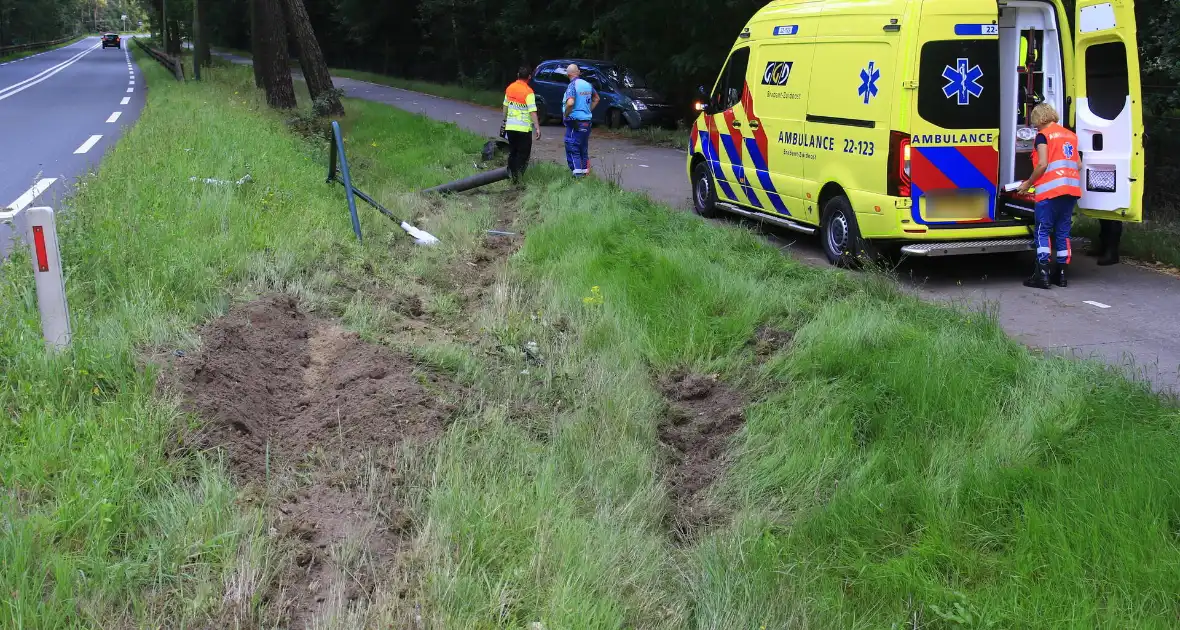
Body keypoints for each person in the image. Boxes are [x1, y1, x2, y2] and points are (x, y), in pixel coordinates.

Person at [1016, 103, 1082, 289]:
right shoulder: (1070, 135)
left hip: (1049, 191)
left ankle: (1042, 274)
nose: (1034, 125)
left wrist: (1028, 183)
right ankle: (1061, 274)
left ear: (1039, 119)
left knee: (1043, 231)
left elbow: (1042, 164)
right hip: (1070, 190)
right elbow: (1078, 164)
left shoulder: (1043, 136)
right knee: (1062, 232)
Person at [502, 66, 542, 183]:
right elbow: (532, 111)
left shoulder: (510, 88)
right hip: (523, 128)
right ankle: (518, 178)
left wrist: (504, 121)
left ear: (518, 75)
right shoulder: (528, 92)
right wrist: (537, 128)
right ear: (529, 77)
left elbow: (505, 106)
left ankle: (511, 176)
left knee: (513, 152)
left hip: (510, 127)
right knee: (523, 154)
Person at [562, 64, 600, 178]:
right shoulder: (587, 85)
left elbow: (570, 103)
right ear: (578, 72)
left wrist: (566, 114)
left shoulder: (572, 85)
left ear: (568, 74)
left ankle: (577, 177)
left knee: (573, 147)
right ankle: (584, 175)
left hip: (575, 122)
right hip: (586, 122)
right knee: (583, 148)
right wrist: (587, 110)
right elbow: (596, 99)